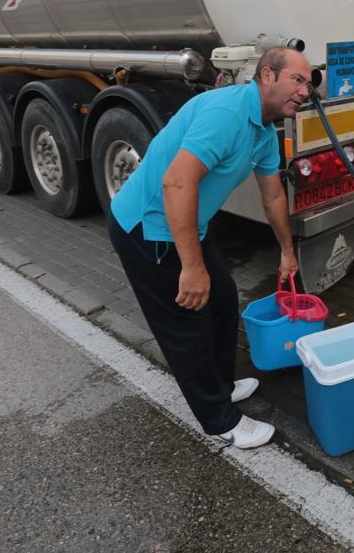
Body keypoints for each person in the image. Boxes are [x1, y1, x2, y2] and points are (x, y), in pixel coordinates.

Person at [107, 48, 312, 449]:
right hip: (147, 228)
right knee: (188, 326)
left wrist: (287, 251)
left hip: (184, 225)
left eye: (309, 83)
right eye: (298, 80)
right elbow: (176, 183)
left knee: (221, 299)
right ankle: (219, 419)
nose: (306, 92)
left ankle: (221, 385)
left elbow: (272, 197)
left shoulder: (264, 131)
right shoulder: (228, 113)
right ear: (267, 76)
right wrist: (191, 266)